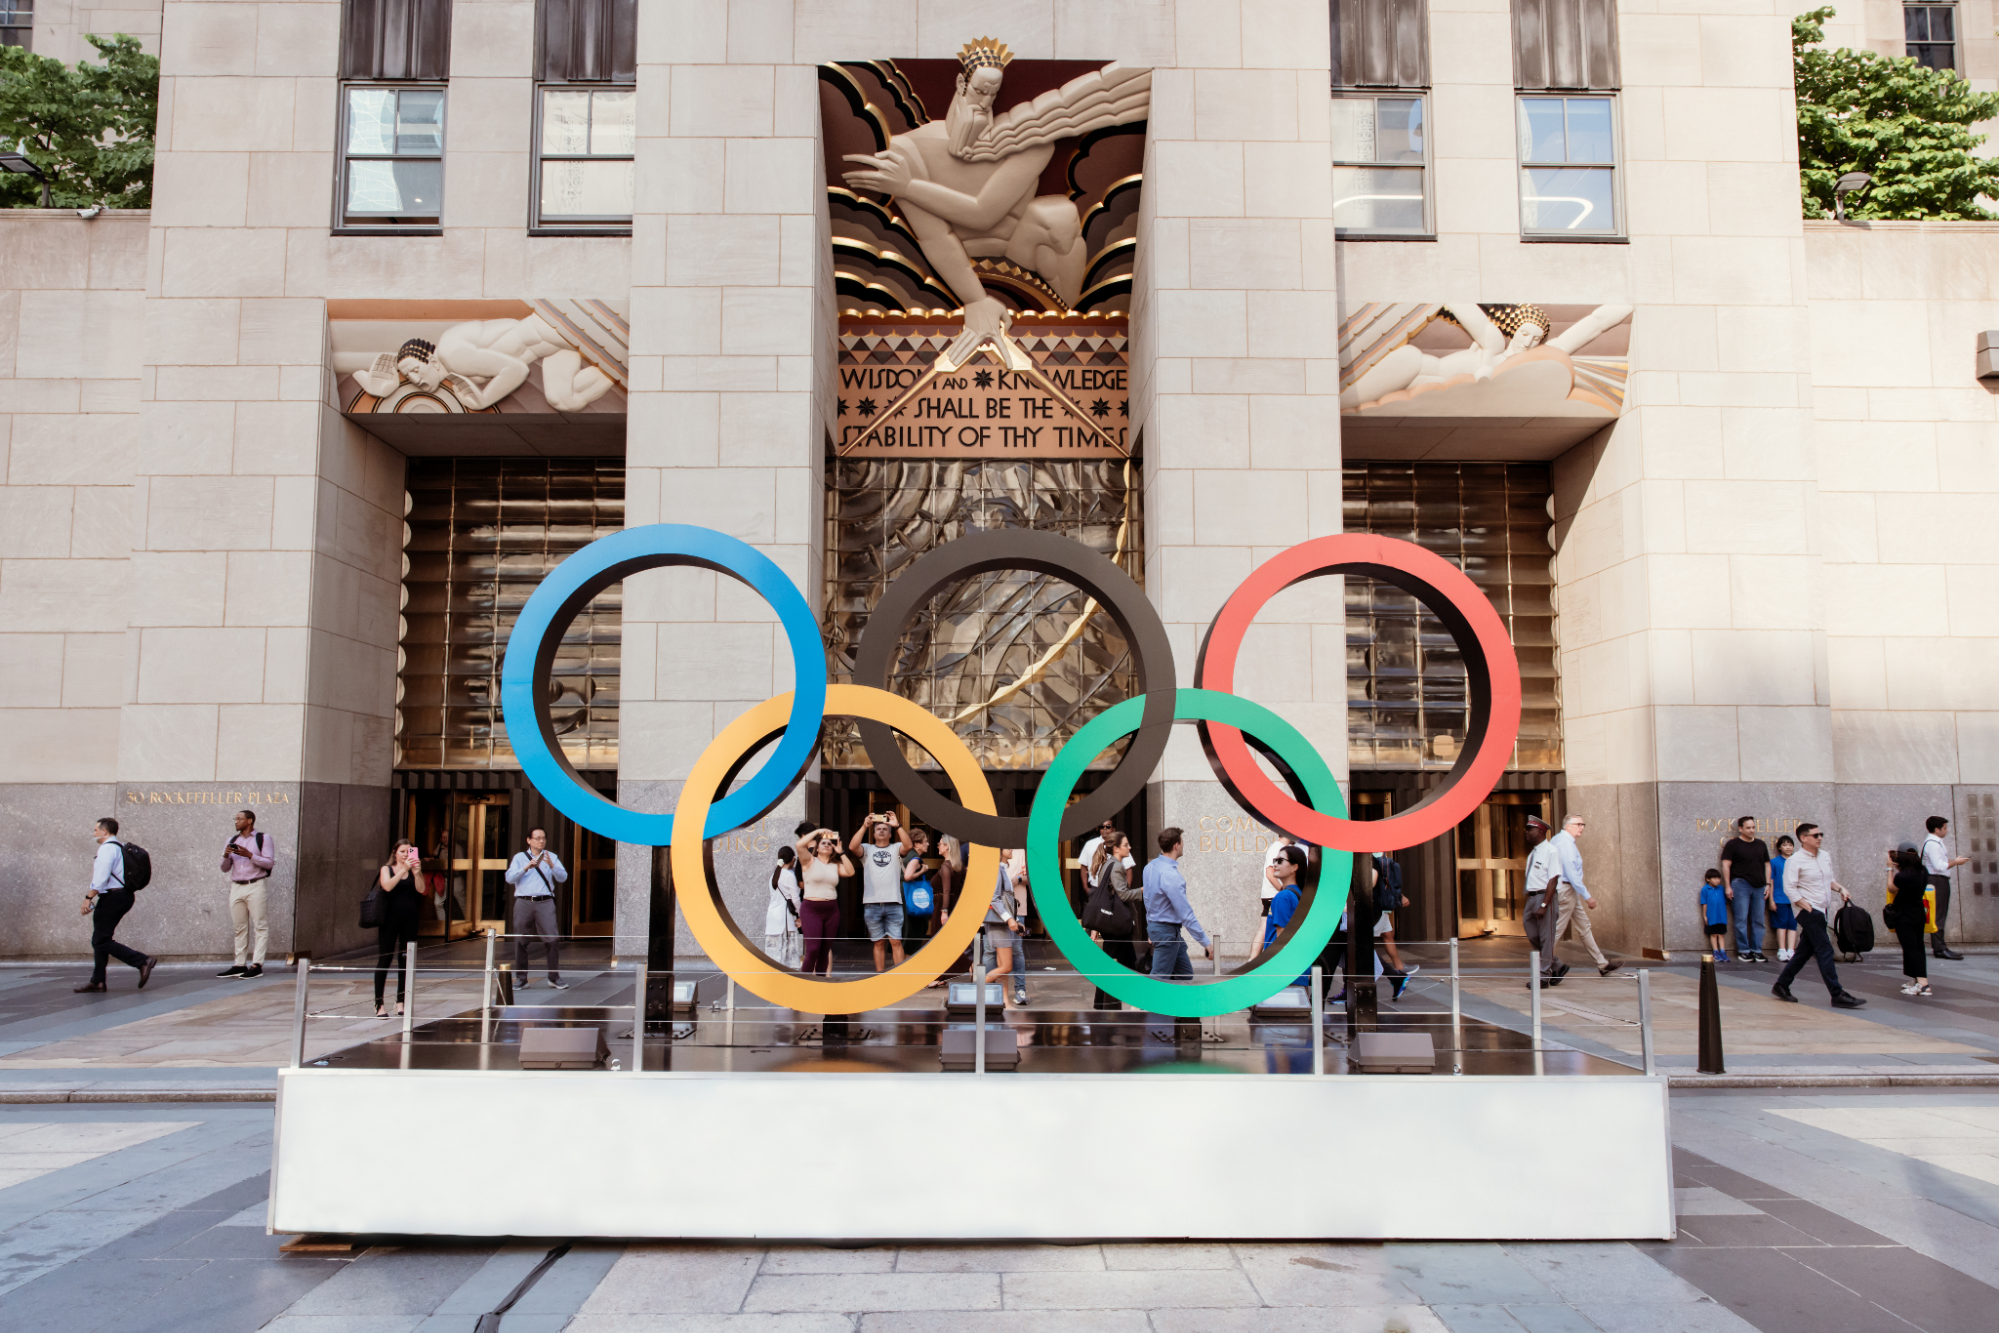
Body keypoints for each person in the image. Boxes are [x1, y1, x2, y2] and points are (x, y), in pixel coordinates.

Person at [1772, 822, 1866, 1008]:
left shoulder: (1825, 856)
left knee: (1803, 952)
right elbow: (1789, 887)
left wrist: (1841, 888)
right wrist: (1804, 905)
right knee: (1825, 950)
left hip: (1821, 909)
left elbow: (1828, 879)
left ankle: (1782, 985)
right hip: (1808, 911)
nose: (1820, 838)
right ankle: (1837, 994)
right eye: (1815, 835)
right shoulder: (1795, 860)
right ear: (1803, 838)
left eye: (1820, 834)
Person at [76, 817, 155, 993]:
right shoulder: (119, 847)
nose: (94, 833)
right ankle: (98, 981)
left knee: (101, 940)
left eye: (96, 830)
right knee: (101, 938)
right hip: (123, 896)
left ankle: (142, 961)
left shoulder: (106, 849)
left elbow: (101, 877)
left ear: (104, 831)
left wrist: (88, 897)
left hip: (113, 897)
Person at [1549, 814, 1617, 977]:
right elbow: (1571, 873)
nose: (1582, 827)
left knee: (1584, 926)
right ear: (1568, 826)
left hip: (1568, 890)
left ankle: (1602, 964)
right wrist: (1587, 896)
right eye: (1579, 824)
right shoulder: (1564, 843)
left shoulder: (1560, 840)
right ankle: (1545, 965)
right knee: (1556, 930)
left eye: (1583, 824)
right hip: (1566, 889)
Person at [1142, 828, 1212, 982]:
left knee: (1185, 974)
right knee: (1158, 978)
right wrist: (1206, 943)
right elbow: (1186, 914)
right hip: (1166, 931)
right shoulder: (1172, 876)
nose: (1183, 845)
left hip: (1165, 930)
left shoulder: (1150, 867)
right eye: (1182, 841)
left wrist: (1151, 926)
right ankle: (1146, 1006)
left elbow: (1148, 900)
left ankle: (1169, 1004)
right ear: (1176, 845)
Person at [504, 828, 568, 991]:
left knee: (552, 939)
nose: (541, 841)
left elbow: (563, 877)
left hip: (545, 901)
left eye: (543, 838)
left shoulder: (551, 856)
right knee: (520, 940)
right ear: (529, 840)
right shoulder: (519, 858)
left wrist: (552, 866)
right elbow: (509, 878)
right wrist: (526, 868)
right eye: (537, 838)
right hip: (523, 901)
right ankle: (521, 978)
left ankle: (554, 977)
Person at [849, 811, 913, 974]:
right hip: (872, 903)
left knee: (896, 942)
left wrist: (897, 825)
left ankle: (899, 977)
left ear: (890, 833)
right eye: (878, 828)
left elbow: (908, 846)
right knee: (878, 943)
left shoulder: (896, 848)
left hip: (894, 903)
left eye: (885, 828)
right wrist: (864, 825)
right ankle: (880, 976)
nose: (882, 830)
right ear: (874, 833)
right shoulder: (868, 849)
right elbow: (852, 847)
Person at [217, 808, 275, 979]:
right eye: (235, 819)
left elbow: (269, 863)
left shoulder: (263, 838)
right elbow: (224, 868)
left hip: (255, 884)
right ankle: (239, 964)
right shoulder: (232, 840)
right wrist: (226, 856)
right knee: (239, 927)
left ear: (249, 821)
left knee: (260, 925)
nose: (236, 822)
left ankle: (257, 964)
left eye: (240, 819)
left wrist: (249, 855)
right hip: (236, 886)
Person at [1088, 830, 1142, 1009]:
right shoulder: (1117, 866)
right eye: (1126, 845)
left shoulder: (1107, 864)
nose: (1130, 847)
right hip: (1118, 924)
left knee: (1113, 962)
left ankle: (1103, 1003)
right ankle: (1136, 1002)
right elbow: (1124, 895)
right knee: (1130, 964)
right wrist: (1143, 891)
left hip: (1111, 923)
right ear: (1117, 848)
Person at [373, 840, 426, 1018]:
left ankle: (400, 1001)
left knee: (405, 959)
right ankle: (378, 1003)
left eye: (408, 851)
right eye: (402, 851)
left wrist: (417, 873)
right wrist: (403, 870)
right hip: (389, 919)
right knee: (385, 959)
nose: (405, 854)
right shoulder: (386, 869)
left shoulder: (412, 870)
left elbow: (421, 889)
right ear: (395, 852)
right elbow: (387, 886)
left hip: (409, 917)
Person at [797, 829, 852, 978]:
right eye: (823, 843)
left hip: (831, 910)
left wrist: (841, 853)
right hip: (811, 909)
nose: (827, 845)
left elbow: (850, 872)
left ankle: (820, 983)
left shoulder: (835, 865)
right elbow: (799, 845)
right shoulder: (809, 861)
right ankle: (804, 983)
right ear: (817, 847)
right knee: (813, 949)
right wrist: (818, 831)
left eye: (829, 843)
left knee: (824, 950)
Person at [1520, 815, 1565, 986]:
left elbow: (1553, 880)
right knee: (1532, 934)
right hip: (1532, 898)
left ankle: (1544, 976)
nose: (1526, 832)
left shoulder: (1551, 851)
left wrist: (1544, 904)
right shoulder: (1534, 853)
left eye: (1529, 829)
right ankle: (1557, 965)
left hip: (1544, 896)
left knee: (1546, 938)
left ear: (1539, 831)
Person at [1719, 816, 1770, 963]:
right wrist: (1728, 886)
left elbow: (1767, 865)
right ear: (1740, 829)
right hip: (1740, 884)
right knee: (1741, 919)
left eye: (1753, 827)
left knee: (1759, 920)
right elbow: (1726, 866)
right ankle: (1743, 950)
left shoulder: (1761, 844)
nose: (1752, 830)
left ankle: (1757, 950)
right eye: (1748, 828)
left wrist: (1768, 884)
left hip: (1760, 886)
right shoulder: (1733, 844)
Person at [1262, 846, 1314, 987]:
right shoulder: (1300, 895)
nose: (1275, 864)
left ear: (1294, 867)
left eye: (1280, 860)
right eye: (1275, 860)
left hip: (1281, 972)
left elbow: (1282, 938)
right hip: (1298, 968)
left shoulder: (1283, 897)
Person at [1886, 843, 1932, 997]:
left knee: (1910, 948)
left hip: (1904, 915)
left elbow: (1891, 888)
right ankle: (1917, 981)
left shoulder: (1902, 876)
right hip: (1919, 912)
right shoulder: (1923, 871)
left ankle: (1923, 984)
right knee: (1918, 946)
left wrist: (1889, 869)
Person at [1922, 816, 1970, 961]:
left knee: (1938, 914)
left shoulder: (1934, 843)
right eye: (1945, 828)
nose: (1947, 830)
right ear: (1937, 829)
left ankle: (1940, 946)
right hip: (1936, 881)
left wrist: (1954, 861)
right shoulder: (1933, 844)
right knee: (1938, 915)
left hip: (1936, 880)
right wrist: (1955, 862)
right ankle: (1939, 948)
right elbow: (1939, 866)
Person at [983, 853, 1027, 1006]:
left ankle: (1005, 1003)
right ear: (1000, 851)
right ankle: (975, 990)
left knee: (1004, 967)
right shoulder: (997, 869)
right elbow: (994, 898)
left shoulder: (1001, 868)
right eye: (1008, 848)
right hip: (999, 923)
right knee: (1006, 966)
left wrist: (1012, 919)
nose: (1011, 850)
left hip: (1002, 923)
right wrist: (1009, 918)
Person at [765, 846, 802, 970]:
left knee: (773, 952)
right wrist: (802, 914)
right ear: (793, 859)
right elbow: (795, 899)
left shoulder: (773, 876)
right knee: (787, 954)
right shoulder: (789, 875)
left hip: (772, 917)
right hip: (784, 918)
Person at [901, 828, 937, 957]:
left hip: (907, 900)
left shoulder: (908, 856)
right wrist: (923, 871)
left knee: (908, 935)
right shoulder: (915, 858)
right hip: (914, 904)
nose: (928, 844)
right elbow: (908, 876)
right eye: (925, 841)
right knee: (914, 934)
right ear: (916, 844)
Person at [1767, 834, 1798, 961]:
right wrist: (1771, 900)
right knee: (1782, 924)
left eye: (1790, 845)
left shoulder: (1797, 861)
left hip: (1796, 899)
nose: (1788, 847)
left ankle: (1791, 950)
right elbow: (1771, 881)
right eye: (1785, 845)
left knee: (1793, 924)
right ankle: (1782, 950)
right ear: (1779, 847)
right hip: (1780, 898)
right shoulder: (1774, 862)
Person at [1700, 869, 1730, 959]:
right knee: (1713, 934)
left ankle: (1723, 951)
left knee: (1721, 934)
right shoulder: (1705, 889)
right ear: (1708, 879)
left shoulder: (1721, 889)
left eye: (1718, 878)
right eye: (1714, 878)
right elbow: (1704, 903)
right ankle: (1715, 951)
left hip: (1721, 916)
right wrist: (1705, 915)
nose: (1717, 880)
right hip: (1711, 916)